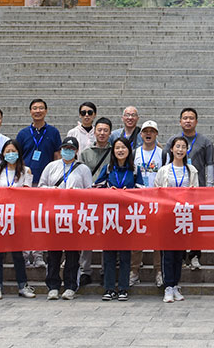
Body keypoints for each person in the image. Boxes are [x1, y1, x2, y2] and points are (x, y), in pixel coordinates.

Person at [37, 138, 93, 300]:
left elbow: (89, 192)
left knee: (72, 253)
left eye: (71, 148)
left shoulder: (82, 169)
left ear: (76, 151)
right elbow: (40, 188)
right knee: (53, 253)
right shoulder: (51, 166)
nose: (68, 150)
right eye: (65, 148)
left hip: (74, 216)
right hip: (54, 215)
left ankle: (70, 286)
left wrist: (78, 192)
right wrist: (51, 190)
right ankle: (53, 285)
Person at [0, 139, 36, 300]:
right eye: (7, 151)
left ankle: (22, 285)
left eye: (13, 151)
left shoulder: (25, 171)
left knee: (17, 254)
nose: (10, 154)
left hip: (18, 217)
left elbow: (28, 195)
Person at [155, 135, 198, 303]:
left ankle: (175, 285)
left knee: (180, 253)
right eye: (177, 146)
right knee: (167, 253)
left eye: (183, 146)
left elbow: (197, 193)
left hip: (183, 216)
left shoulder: (191, 170)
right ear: (171, 149)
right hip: (166, 216)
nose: (180, 149)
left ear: (187, 150)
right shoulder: (163, 170)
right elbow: (156, 190)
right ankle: (168, 286)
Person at [95, 137, 139, 300]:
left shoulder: (134, 170)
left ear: (129, 150)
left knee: (125, 254)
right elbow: (96, 188)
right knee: (109, 254)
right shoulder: (108, 169)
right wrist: (108, 189)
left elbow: (142, 189)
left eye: (123, 147)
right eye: (117, 148)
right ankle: (108, 288)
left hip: (127, 217)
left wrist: (131, 191)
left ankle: (122, 288)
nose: (120, 150)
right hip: (109, 216)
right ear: (113, 151)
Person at [77, 117, 113, 287]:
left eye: (105, 130)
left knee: (107, 234)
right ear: (94, 132)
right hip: (89, 199)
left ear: (110, 133)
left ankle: (106, 270)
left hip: (108, 199)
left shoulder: (115, 151)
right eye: (99, 130)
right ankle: (85, 270)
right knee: (87, 234)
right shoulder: (85, 153)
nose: (102, 133)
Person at [177, 107, 214, 270]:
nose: (188, 121)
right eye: (185, 118)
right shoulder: (174, 141)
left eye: (191, 118)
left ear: (196, 121)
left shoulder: (205, 141)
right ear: (180, 121)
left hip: (197, 189)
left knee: (195, 224)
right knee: (179, 223)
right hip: (177, 191)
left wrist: (209, 187)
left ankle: (194, 256)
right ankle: (180, 256)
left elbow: (210, 165)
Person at [132, 120, 165, 287]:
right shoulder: (134, 153)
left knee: (157, 238)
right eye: (146, 131)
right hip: (138, 200)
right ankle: (134, 271)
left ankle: (159, 271)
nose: (148, 134)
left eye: (152, 131)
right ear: (141, 134)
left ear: (156, 134)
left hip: (157, 200)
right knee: (137, 236)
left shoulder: (162, 153)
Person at [15, 99, 61, 184]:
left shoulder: (53, 132)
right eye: (35, 108)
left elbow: (57, 155)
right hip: (26, 177)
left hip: (47, 177)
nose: (38, 111)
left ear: (46, 111)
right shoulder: (23, 133)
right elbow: (17, 156)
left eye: (41, 108)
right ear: (30, 111)